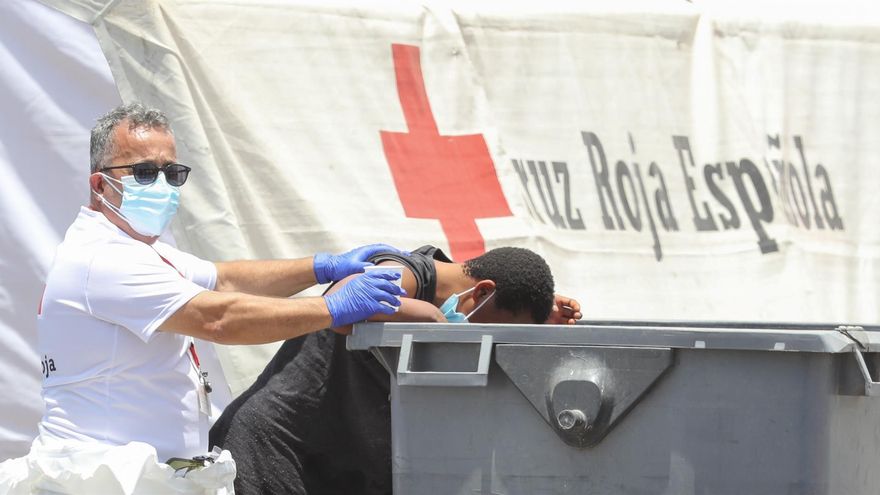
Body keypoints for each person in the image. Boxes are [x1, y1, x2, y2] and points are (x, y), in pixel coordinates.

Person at [0, 103, 406, 493]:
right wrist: (330, 307)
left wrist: (320, 267)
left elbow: (225, 281)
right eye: (143, 172)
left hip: (146, 475)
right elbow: (219, 319)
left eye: (171, 172)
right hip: (103, 479)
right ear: (100, 183)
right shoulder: (105, 258)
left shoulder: (138, 249)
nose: (161, 185)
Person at [209, 245, 582, 495]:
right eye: (484, 328)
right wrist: (430, 318)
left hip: (331, 468)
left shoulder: (469, 300)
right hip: (268, 457)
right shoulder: (407, 272)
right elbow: (346, 300)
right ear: (481, 293)